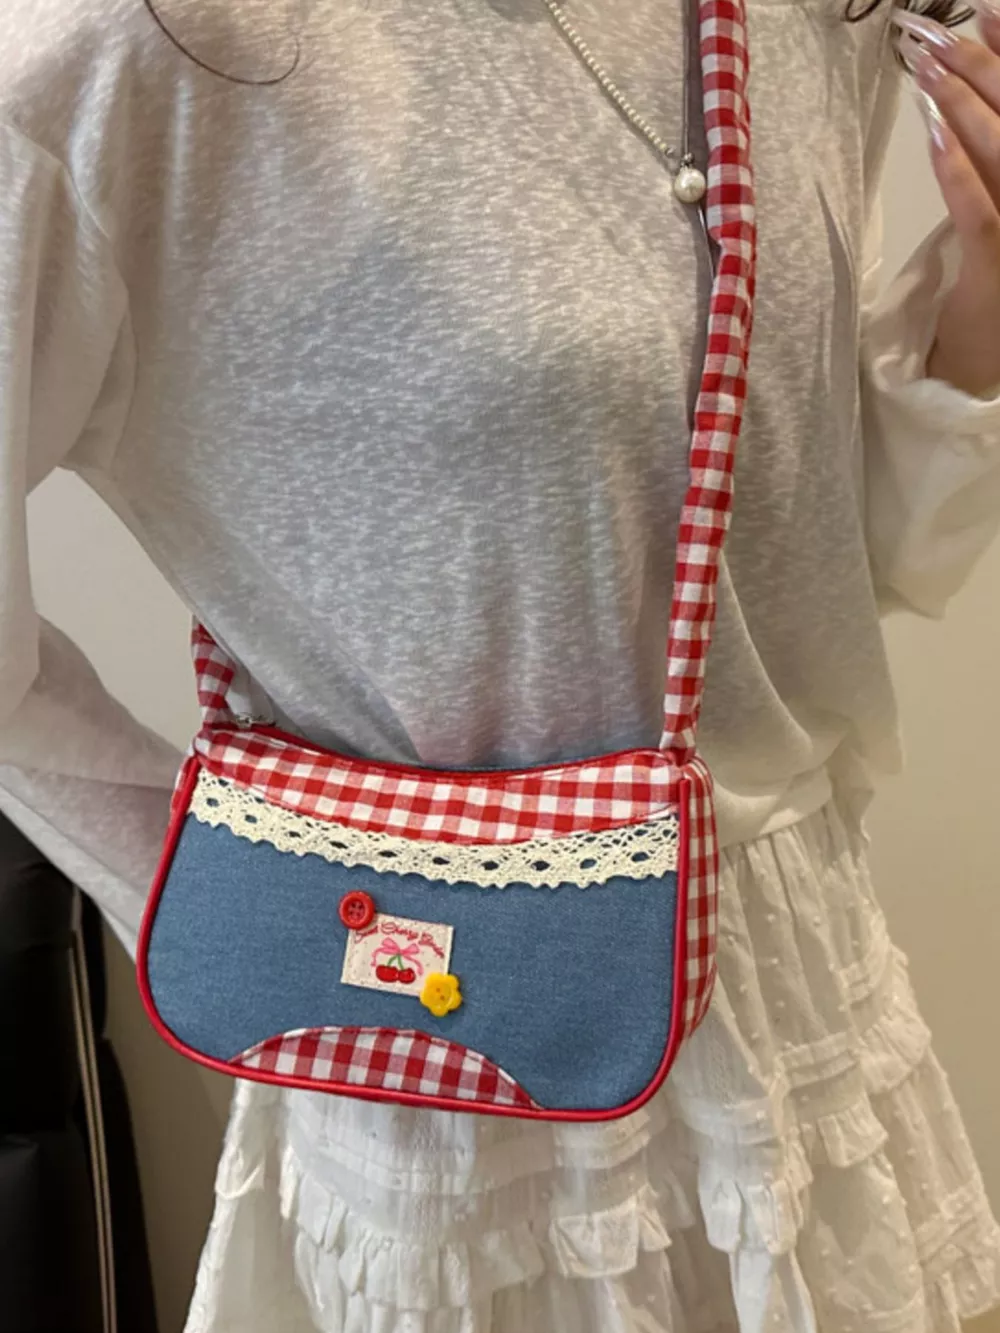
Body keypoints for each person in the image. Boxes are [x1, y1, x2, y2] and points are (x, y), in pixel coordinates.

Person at [1, 0, 999, 1329]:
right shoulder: (131, 57)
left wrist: (983, 291)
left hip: (809, 1035)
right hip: (449, 1118)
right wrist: (231, 901)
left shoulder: (812, 20)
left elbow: (817, 562)